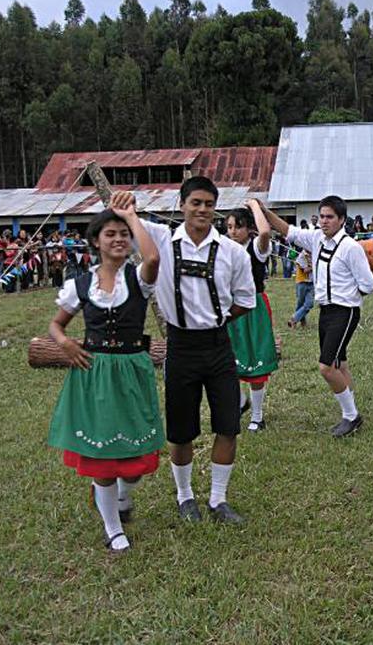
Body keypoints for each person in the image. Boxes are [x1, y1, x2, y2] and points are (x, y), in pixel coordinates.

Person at [117, 178, 256, 525]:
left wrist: (217, 319)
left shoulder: (233, 252)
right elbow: (120, 217)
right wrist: (125, 204)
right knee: (181, 430)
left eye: (209, 204)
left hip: (218, 346)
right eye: (195, 202)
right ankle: (185, 496)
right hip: (180, 347)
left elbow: (245, 301)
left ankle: (218, 499)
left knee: (228, 425)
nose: (202, 209)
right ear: (181, 204)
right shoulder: (161, 239)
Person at [46, 196, 163, 553]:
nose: (118, 239)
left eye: (124, 234)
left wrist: (131, 215)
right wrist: (64, 343)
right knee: (102, 459)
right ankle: (113, 528)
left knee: (134, 460)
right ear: (96, 241)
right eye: (110, 233)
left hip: (131, 370)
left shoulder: (138, 278)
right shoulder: (80, 284)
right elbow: (56, 324)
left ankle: (124, 496)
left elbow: (153, 257)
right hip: (94, 374)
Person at [260, 195, 373, 437]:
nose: (324, 221)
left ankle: (351, 416)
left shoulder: (351, 248)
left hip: (344, 311)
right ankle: (350, 406)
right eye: (322, 216)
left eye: (330, 217)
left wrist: (347, 297)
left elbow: (368, 284)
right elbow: (287, 230)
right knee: (339, 363)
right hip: (325, 310)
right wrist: (263, 211)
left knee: (326, 367)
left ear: (342, 220)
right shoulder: (316, 239)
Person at [225, 201, 279, 432]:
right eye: (228, 227)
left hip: (253, 307)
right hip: (230, 308)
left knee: (256, 362)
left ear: (249, 229)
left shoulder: (256, 248)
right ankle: (240, 402)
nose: (233, 231)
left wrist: (254, 206)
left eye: (238, 226)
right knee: (228, 360)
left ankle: (257, 416)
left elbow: (265, 231)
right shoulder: (224, 250)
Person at [289, 249, 314, 328]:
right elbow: (306, 270)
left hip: (312, 282)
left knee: (309, 304)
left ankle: (294, 318)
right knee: (300, 303)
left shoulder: (314, 254)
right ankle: (302, 322)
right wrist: (315, 266)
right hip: (302, 282)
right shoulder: (301, 256)